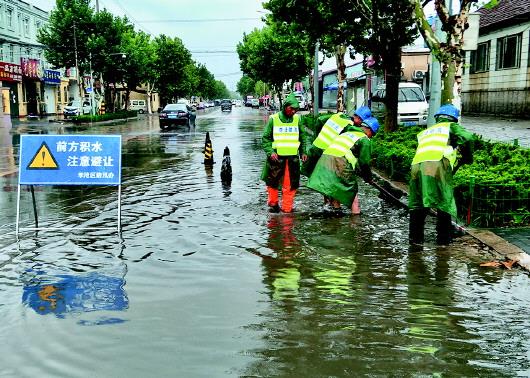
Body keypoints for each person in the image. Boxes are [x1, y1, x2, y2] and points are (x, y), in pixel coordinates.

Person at [408, 104, 476, 245]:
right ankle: (443, 239)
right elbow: (468, 138)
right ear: (453, 119)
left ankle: (415, 240)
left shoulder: (429, 131)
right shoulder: (450, 126)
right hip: (436, 164)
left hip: (416, 166)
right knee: (443, 200)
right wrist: (468, 158)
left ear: (437, 117)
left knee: (418, 203)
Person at [306, 116, 379, 212]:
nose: (371, 137)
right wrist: (368, 177)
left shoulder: (346, 133)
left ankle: (336, 213)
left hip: (324, 159)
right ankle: (356, 218)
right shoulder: (364, 140)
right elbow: (364, 162)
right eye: (372, 135)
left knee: (336, 188)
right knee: (352, 192)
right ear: (369, 130)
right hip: (340, 162)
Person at [261, 93, 308, 213]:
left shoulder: (298, 119)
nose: (293, 111)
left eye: (295, 109)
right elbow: (265, 138)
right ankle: (273, 204)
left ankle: (287, 209)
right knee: (273, 182)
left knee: (290, 184)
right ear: (285, 106)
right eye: (291, 108)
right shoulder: (274, 119)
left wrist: (303, 152)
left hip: (292, 158)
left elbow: (303, 137)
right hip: (276, 157)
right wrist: (270, 151)